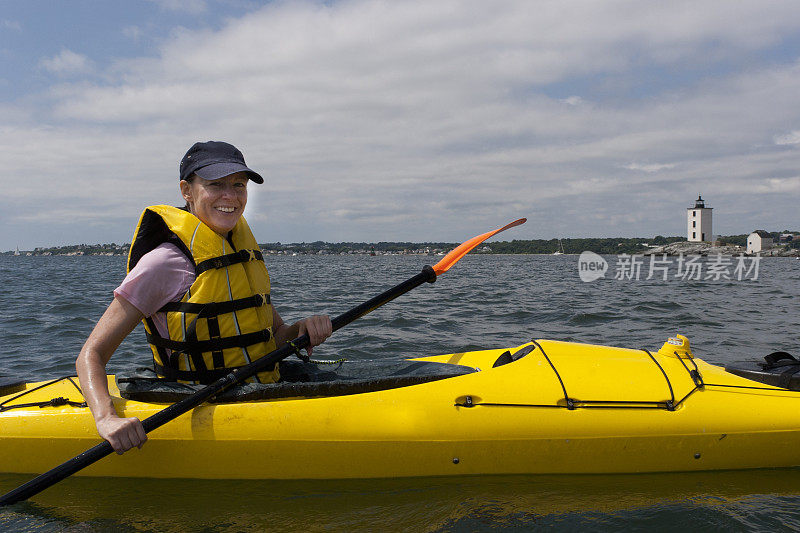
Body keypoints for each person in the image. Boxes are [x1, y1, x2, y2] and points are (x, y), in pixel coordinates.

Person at [76, 141, 332, 455]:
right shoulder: (164, 263)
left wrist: (303, 329)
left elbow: (275, 338)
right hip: (197, 399)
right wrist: (105, 418)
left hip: (257, 391)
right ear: (187, 190)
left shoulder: (238, 253)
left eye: (238, 185)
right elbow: (91, 355)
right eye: (215, 185)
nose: (231, 196)